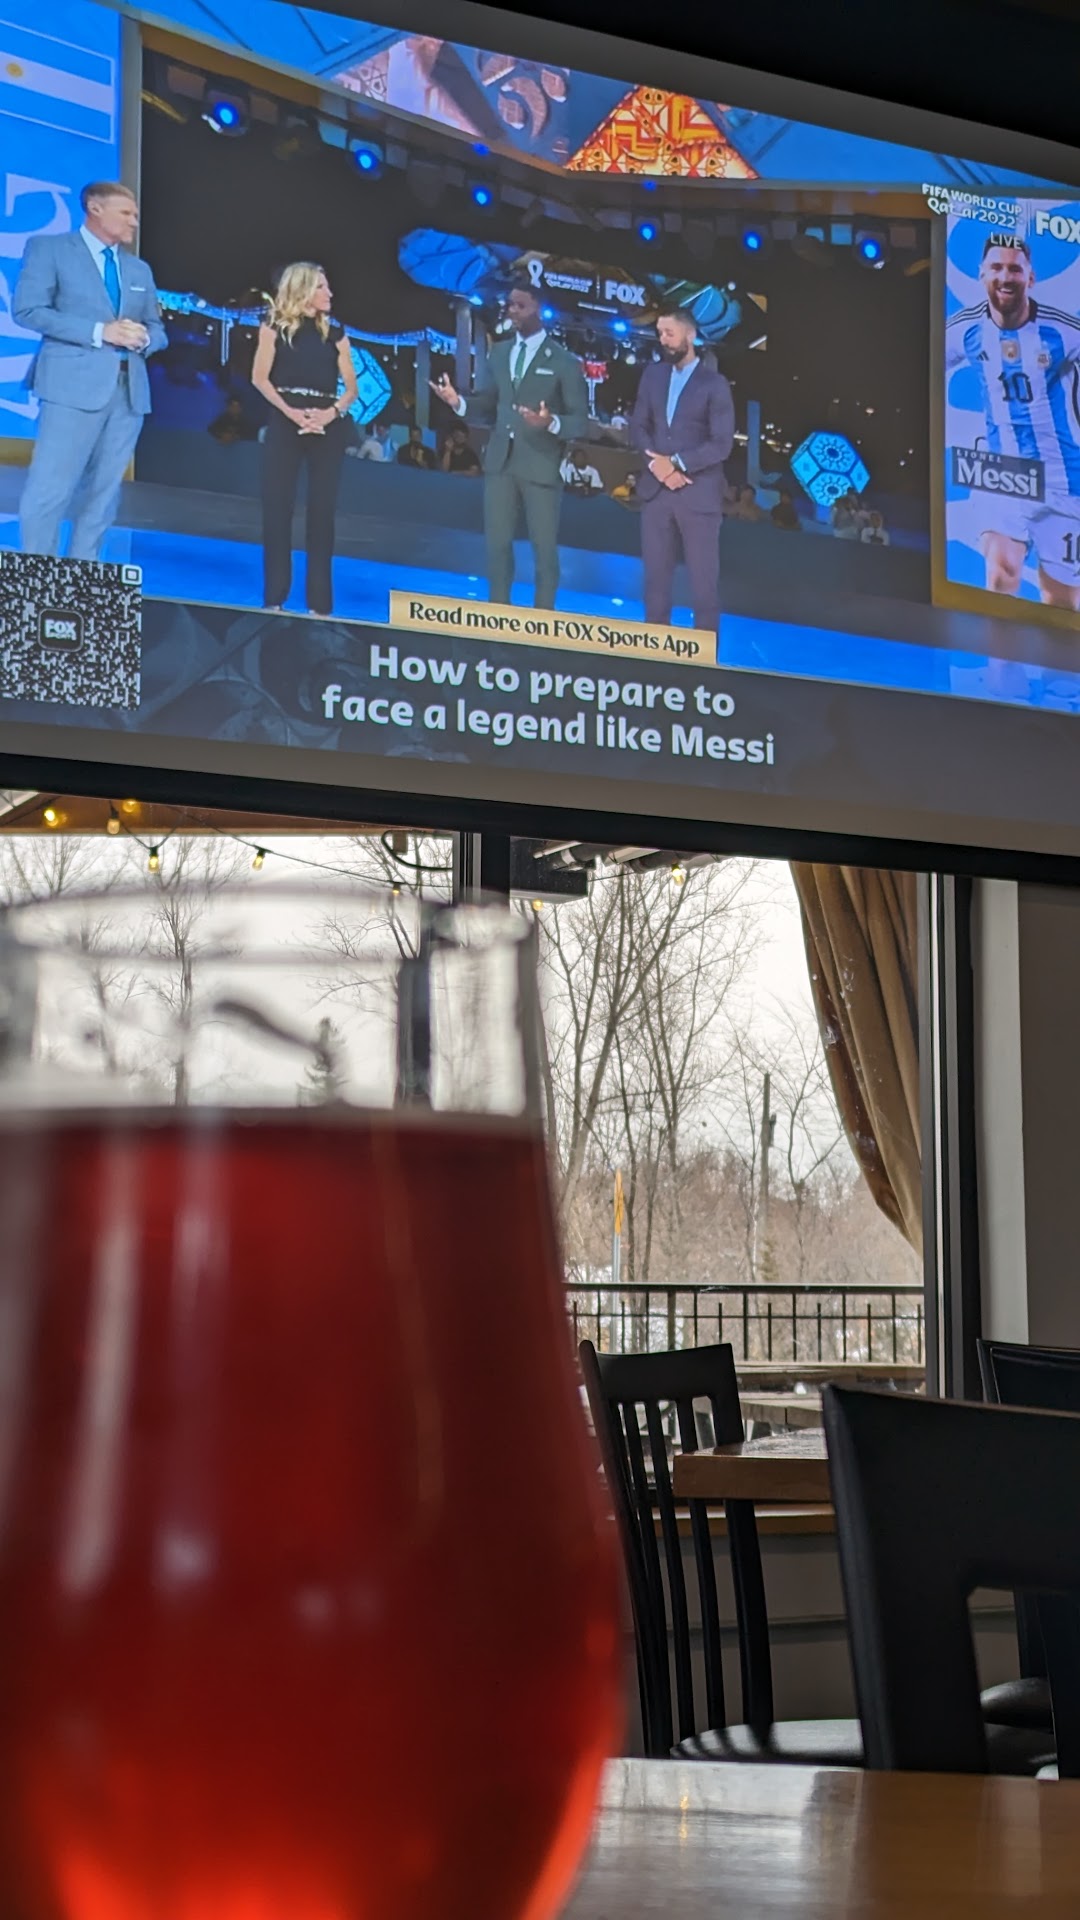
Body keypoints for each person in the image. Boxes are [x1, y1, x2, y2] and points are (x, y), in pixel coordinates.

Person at [13, 179, 167, 561]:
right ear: (95, 208)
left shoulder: (138, 270)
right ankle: (37, 576)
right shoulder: (50, 249)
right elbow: (28, 310)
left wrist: (145, 338)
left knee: (104, 495)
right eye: (126, 213)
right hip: (70, 387)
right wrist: (100, 331)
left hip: (128, 393)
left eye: (135, 214)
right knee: (51, 488)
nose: (134, 222)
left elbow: (158, 328)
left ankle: (84, 576)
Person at [430, 281, 588, 608]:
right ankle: (497, 618)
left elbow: (580, 421)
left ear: (538, 309)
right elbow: (488, 404)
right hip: (500, 463)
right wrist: (459, 402)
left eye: (520, 306)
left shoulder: (564, 361)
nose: (512, 311)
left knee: (543, 552)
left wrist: (551, 422)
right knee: (497, 547)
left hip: (541, 464)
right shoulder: (499, 353)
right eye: (510, 305)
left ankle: (542, 622)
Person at [946, 232, 1080, 609]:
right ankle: (998, 650)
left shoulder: (1063, 330)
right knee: (1002, 573)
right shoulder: (965, 328)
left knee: (1060, 599)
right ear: (982, 274)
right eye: (997, 268)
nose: (1006, 277)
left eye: (1015, 270)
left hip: (1061, 478)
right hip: (1003, 473)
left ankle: (1057, 650)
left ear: (1030, 278)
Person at [251, 260, 357, 616]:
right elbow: (259, 378)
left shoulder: (336, 333)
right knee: (277, 508)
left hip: (326, 424)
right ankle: (274, 598)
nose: (330, 293)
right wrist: (291, 412)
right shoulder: (273, 327)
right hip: (286, 422)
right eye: (322, 287)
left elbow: (352, 388)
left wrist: (330, 413)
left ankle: (320, 605)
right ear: (303, 290)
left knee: (322, 513)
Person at [628, 303, 734, 635]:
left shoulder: (714, 384)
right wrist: (658, 467)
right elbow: (638, 426)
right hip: (657, 494)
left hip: (698, 496)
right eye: (660, 333)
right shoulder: (652, 375)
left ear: (690, 334)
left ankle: (703, 655)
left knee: (703, 585)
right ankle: (655, 649)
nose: (663, 339)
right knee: (655, 580)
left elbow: (721, 444)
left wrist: (675, 464)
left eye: (669, 333)